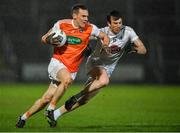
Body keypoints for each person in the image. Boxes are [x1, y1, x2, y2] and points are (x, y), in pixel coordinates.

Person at [47, 10, 147, 128]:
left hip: (108, 69)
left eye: (120, 23)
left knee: (85, 100)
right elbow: (83, 37)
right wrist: (84, 47)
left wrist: (133, 49)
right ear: (109, 24)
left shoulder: (128, 32)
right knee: (104, 81)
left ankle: (55, 114)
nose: (118, 25)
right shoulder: (102, 32)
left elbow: (143, 49)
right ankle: (76, 96)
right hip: (94, 63)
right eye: (115, 23)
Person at [15, 4, 110, 128]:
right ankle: (50, 111)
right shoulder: (61, 24)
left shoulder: (90, 28)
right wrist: (50, 40)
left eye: (87, 16)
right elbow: (44, 38)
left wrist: (105, 45)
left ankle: (23, 117)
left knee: (46, 98)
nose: (86, 19)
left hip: (72, 69)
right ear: (74, 16)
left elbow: (104, 36)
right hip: (57, 63)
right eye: (83, 16)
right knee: (67, 80)